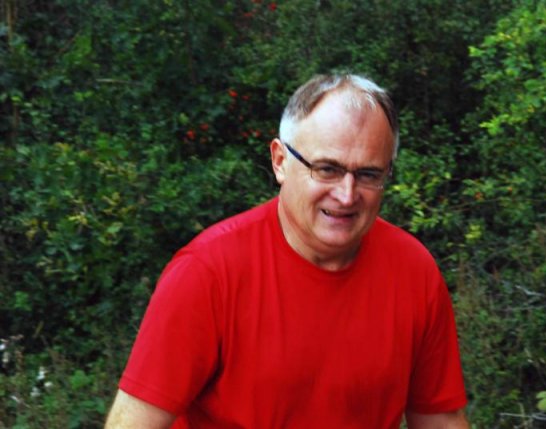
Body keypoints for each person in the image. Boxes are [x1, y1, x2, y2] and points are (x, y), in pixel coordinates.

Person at [105, 74, 469, 428]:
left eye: (368, 174)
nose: (347, 195)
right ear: (280, 161)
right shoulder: (208, 273)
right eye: (327, 169)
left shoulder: (413, 272)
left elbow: (440, 419)